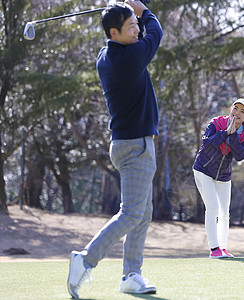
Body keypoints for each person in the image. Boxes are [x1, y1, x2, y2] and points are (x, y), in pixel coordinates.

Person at [67, 1, 163, 298]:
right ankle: (85, 259)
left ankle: (131, 274)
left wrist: (126, 11)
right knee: (132, 212)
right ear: (114, 32)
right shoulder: (130, 57)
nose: (137, 30)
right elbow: (156, 32)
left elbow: (139, 32)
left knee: (142, 213)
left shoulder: (106, 55)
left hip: (132, 143)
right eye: (131, 26)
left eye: (136, 24)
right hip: (135, 145)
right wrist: (143, 10)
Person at [193, 99, 244, 258]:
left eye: (242, 111)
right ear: (231, 109)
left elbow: (240, 155)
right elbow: (207, 142)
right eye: (236, 108)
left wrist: (233, 136)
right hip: (203, 170)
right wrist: (226, 132)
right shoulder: (216, 123)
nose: (237, 113)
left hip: (223, 175)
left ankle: (223, 248)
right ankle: (214, 249)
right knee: (212, 208)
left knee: (224, 213)